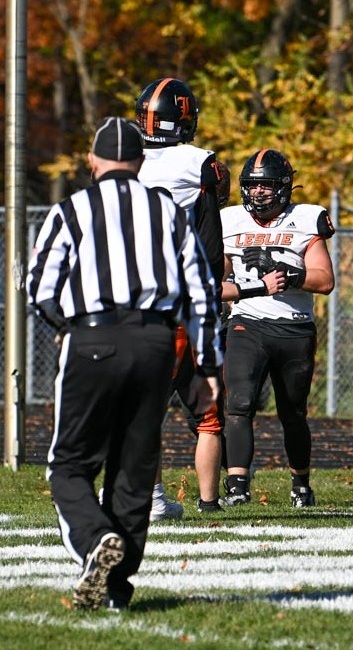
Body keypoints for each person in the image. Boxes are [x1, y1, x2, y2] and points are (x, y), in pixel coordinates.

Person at [27, 117, 223, 610]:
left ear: (92, 161)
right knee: (133, 471)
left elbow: (38, 289)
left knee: (69, 465)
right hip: (157, 343)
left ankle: (94, 540)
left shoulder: (72, 207)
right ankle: (117, 588)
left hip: (92, 336)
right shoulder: (166, 210)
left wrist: (72, 327)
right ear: (139, 163)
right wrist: (209, 366)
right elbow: (200, 290)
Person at [135, 77, 231, 517]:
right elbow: (211, 233)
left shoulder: (124, 159)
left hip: (136, 298)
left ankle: (151, 497)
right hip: (185, 299)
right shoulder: (197, 161)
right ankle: (203, 502)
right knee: (206, 408)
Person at [219, 149, 335, 508]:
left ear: (283, 187)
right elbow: (215, 281)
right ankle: (237, 485)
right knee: (238, 403)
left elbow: (325, 279)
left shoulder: (306, 219)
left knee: (292, 413)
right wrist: (242, 292)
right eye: (252, 186)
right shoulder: (229, 221)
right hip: (247, 322)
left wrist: (287, 272)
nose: (258, 193)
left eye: (266, 185)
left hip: (294, 329)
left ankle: (301, 483)